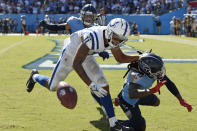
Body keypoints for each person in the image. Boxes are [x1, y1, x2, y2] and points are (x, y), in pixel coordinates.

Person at [26, 18, 139, 131]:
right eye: (115, 39)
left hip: (86, 55)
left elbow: (120, 57)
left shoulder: (112, 37)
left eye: (120, 40)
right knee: (52, 86)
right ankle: (34, 76)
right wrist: (90, 84)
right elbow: (76, 64)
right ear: (110, 32)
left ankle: (113, 124)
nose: (117, 42)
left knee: (103, 85)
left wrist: (141, 57)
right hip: (70, 54)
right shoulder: (93, 37)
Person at [113, 52, 192, 131]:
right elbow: (132, 94)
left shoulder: (151, 70)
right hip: (128, 100)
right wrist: (152, 90)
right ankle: (114, 123)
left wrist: (180, 99)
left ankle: (118, 100)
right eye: (158, 71)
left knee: (156, 102)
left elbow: (169, 83)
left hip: (139, 93)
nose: (161, 73)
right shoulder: (135, 75)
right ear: (147, 70)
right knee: (140, 127)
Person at [40, 4, 109, 60]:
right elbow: (58, 27)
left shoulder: (94, 27)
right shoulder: (74, 22)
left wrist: (100, 51)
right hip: (70, 54)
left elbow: (94, 43)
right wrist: (47, 25)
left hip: (85, 56)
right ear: (82, 15)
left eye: (90, 16)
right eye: (87, 16)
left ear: (94, 17)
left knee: (95, 76)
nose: (88, 18)